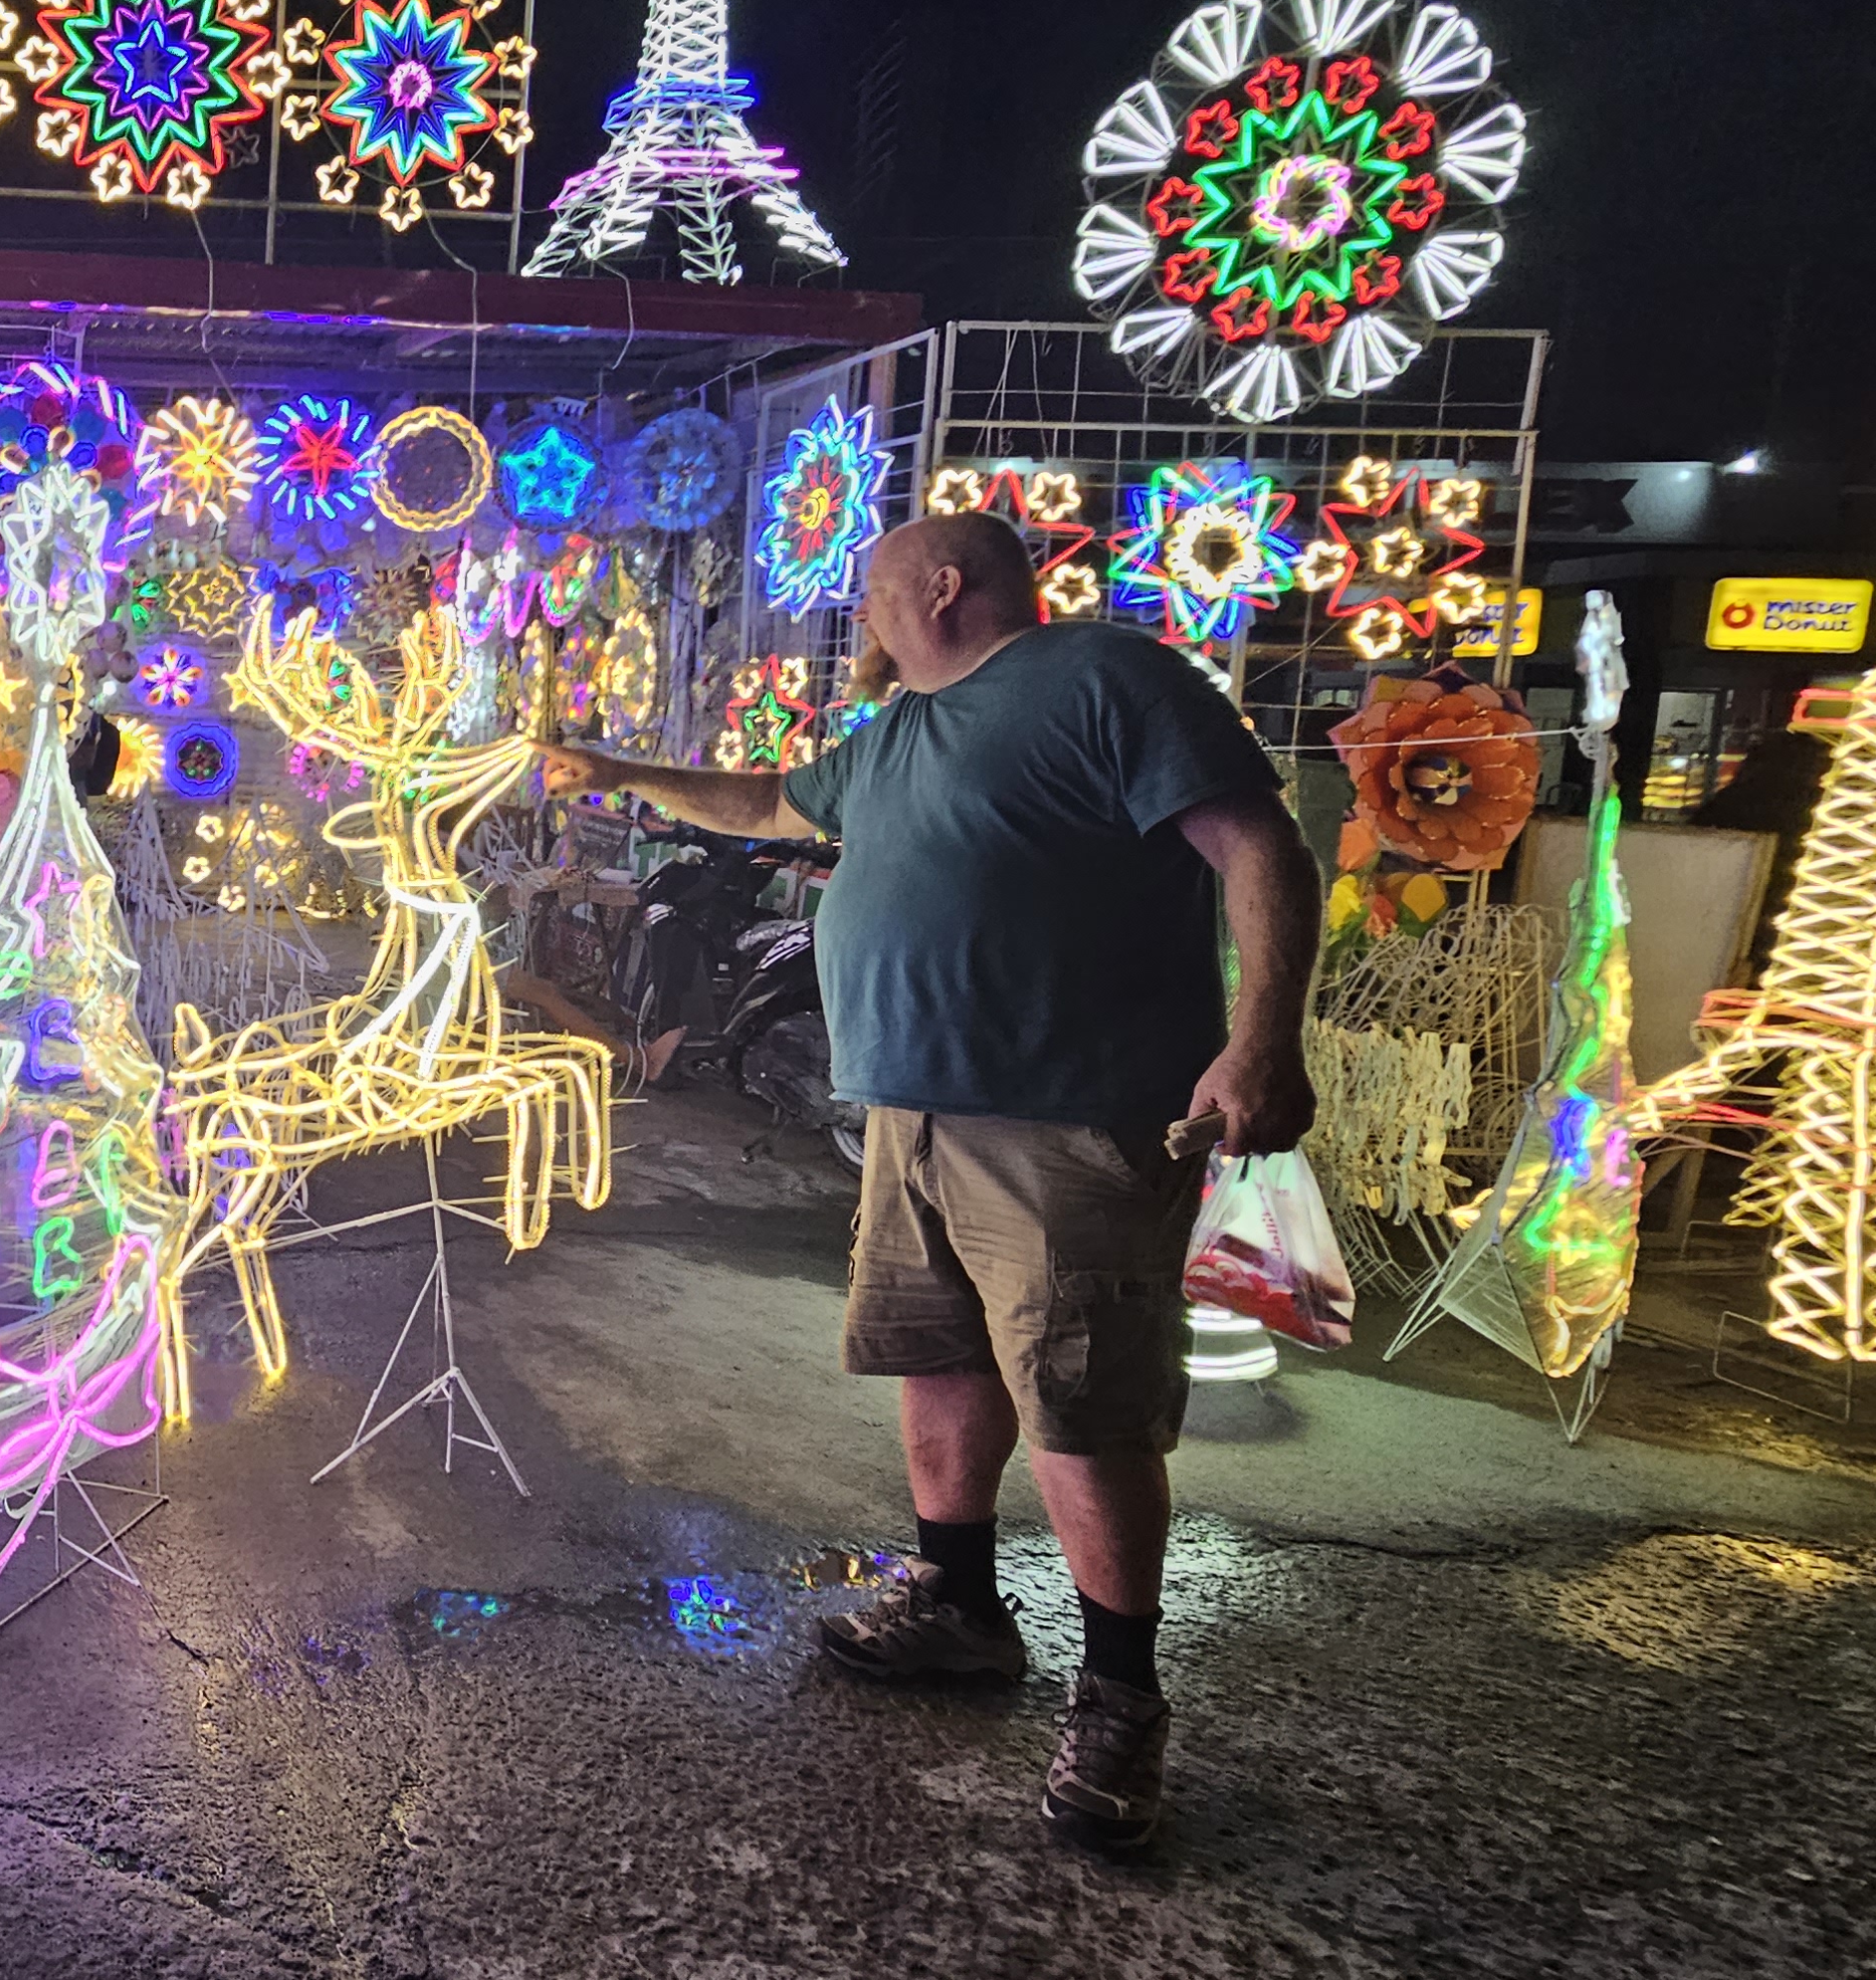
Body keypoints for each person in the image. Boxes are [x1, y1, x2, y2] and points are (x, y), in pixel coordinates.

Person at [540, 513, 1316, 1858]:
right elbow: (765, 805)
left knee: (1081, 1402)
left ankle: (1121, 1697)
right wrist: (613, 772)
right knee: (939, 1357)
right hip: (912, 1112)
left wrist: (1262, 1042)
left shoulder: (1103, 679)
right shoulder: (895, 733)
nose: (859, 618)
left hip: (1068, 1115)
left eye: (872, 595)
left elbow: (1261, 851)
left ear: (944, 586)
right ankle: (957, 1606)